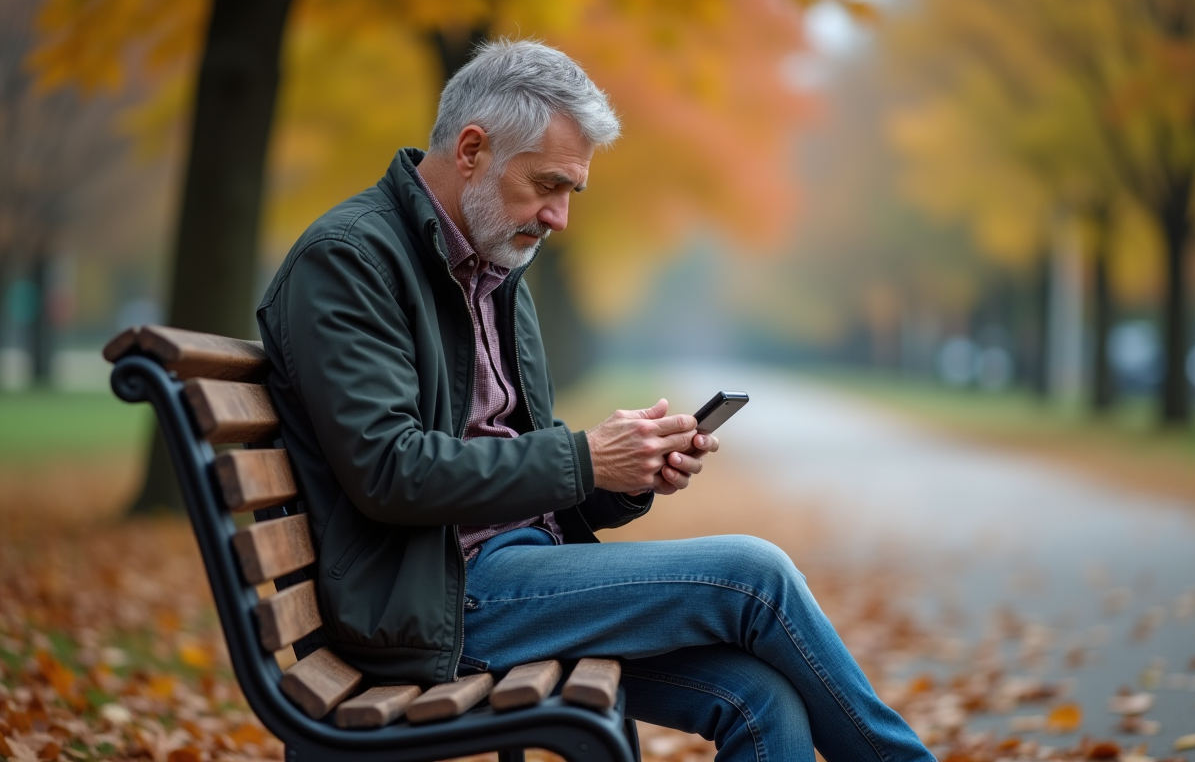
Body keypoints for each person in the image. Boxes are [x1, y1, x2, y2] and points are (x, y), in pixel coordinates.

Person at [256, 38, 934, 762]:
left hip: (514, 574)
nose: (559, 217)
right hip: (436, 602)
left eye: (571, 192)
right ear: (472, 151)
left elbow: (535, 477)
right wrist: (583, 458)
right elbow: (391, 471)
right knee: (754, 575)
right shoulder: (351, 260)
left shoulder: (496, 272)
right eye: (547, 185)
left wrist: (626, 475)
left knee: (761, 699)